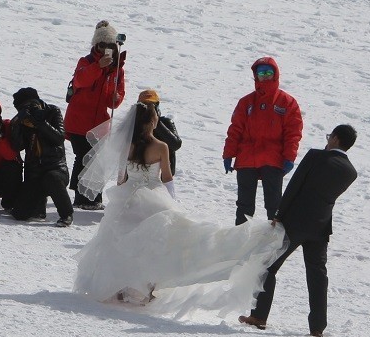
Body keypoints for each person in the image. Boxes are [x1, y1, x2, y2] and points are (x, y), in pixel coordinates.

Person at [74, 102, 287, 317]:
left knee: (122, 243)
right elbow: (166, 177)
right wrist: (172, 201)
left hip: (128, 198)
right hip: (154, 198)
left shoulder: (126, 146)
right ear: (152, 122)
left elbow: (121, 178)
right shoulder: (160, 146)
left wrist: (125, 196)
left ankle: (119, 286)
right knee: (155, 246)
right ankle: (146, 288)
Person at [239, 125, 359, 337]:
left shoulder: (316, 157)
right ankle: (317, 327)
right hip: (321, 227)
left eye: (330, 136)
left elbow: (295, 185)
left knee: (269, 266)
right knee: (317, 275)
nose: (328, 140)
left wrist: (279, 213)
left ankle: (259, 316)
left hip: (294, 223)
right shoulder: (350, 172)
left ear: (336, 139)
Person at [222, 57, 303, 225]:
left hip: (273, 159)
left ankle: (274, 244)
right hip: (246, 159)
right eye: (261, 73)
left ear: (275, 74)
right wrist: (229, 154)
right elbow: (235, 129)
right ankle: (241, 241)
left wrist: (289, 157)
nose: (265, 76)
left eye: (268, 72)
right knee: (244, 206)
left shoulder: (286, 102)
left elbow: (293, 133)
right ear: (255, 76)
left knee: (274, 205)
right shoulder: (246, 102)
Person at [64, 21, 126, 210]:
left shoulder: (117, 69)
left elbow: (112, 101)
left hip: (99, 124)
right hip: (78, 122)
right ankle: (82, 198)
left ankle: (93, 198)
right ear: (95, 45)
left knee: (96, 159)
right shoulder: (86, 63)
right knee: (84, 156)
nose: (106, 49)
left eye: (110, 45)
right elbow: (81, 80)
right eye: (102, 45)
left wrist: (116, 97)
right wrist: (98, 67)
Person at [9, 87, 74, 228]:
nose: (31, 108)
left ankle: (66, 214)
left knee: (52, 178)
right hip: (35, 172)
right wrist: (17, 125)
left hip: (56, 168)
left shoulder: (52, 112)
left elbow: (59, 138)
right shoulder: (22, 121)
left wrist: (40, 122)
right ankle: (38, 204)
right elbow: (17, 146)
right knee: (19, 214)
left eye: (32, 104)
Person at [138, 89, 182, 174]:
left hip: (162, 174)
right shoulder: (135, 124)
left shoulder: (166, 122)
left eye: (151, 106)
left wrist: (156, 122)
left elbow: (176, 144)